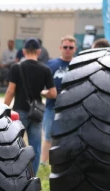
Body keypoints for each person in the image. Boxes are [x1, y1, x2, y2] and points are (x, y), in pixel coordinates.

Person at [4, 38, 56, 175]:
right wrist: (42, 92)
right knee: (35, 147)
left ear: (23, 52)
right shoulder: (45, 69)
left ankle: (16, 174)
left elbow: (10, 91)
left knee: (16, 146)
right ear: (39, 52)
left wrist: (3, 109)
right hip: (37, 113)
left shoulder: (16, 67)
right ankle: (31, 176)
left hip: (19, 111)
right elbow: (53, 93)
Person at [42, 35, 77, 166]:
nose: (68, 49)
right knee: (48, 137)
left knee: (70, 137)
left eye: (71, 47)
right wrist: (46, 93)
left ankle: (66, 163)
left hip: (72, 107)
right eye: (65, 47)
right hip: (52, 107)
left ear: (75, 49)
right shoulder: (51, 65)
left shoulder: (79, 64)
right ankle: (43, 164)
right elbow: (42, 86)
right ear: (60, 48)